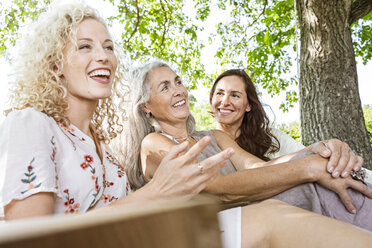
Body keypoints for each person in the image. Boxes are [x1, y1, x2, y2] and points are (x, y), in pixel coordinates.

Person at [3, 2, 372, 248]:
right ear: (54, 64)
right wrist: (157, 192)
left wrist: (319, 152)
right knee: (278, 213)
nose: (102, 55)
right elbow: (27, 239)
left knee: (284, 209)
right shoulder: (29, 124)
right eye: (84, 47)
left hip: (156, 236)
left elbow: (255, 169)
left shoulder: (100, 150)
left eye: (109, 47)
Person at [118, 60, 372, 233]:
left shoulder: (214, 135)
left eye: (178, 82)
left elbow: (258, 167)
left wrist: (315, 151)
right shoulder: (154, 145)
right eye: (165, 87)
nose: (179, 91)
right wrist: (308, 168)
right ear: (146, 106)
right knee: (313, 186)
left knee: (327, 171)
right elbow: (217, 190)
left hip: (253, 209)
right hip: (218, 227)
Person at [209, 69, 367, 179]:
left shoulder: (270, 137)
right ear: (211, 100)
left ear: (248, 105)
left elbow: (305, 154)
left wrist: (329, 148)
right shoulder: (205, 142)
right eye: (220, 93)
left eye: (235, 95)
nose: (225, 102)